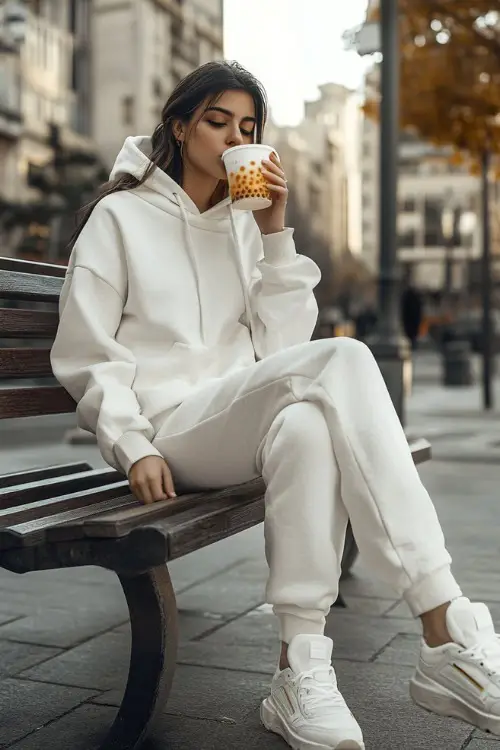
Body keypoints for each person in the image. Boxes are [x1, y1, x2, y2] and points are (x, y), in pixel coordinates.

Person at [51, 61, 500, 750]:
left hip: (235, 418)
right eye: (218, 120)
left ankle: (299, 668)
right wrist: (131, 441)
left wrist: (274, 231)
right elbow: (87, 352)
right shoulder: (120, 217)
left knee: (308, 426)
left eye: (249, 126)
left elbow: (285, 348)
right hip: (170, 434)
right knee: (346, 358)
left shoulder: (241, 225)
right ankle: (443, 622)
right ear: (180, 125)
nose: (236, 136)